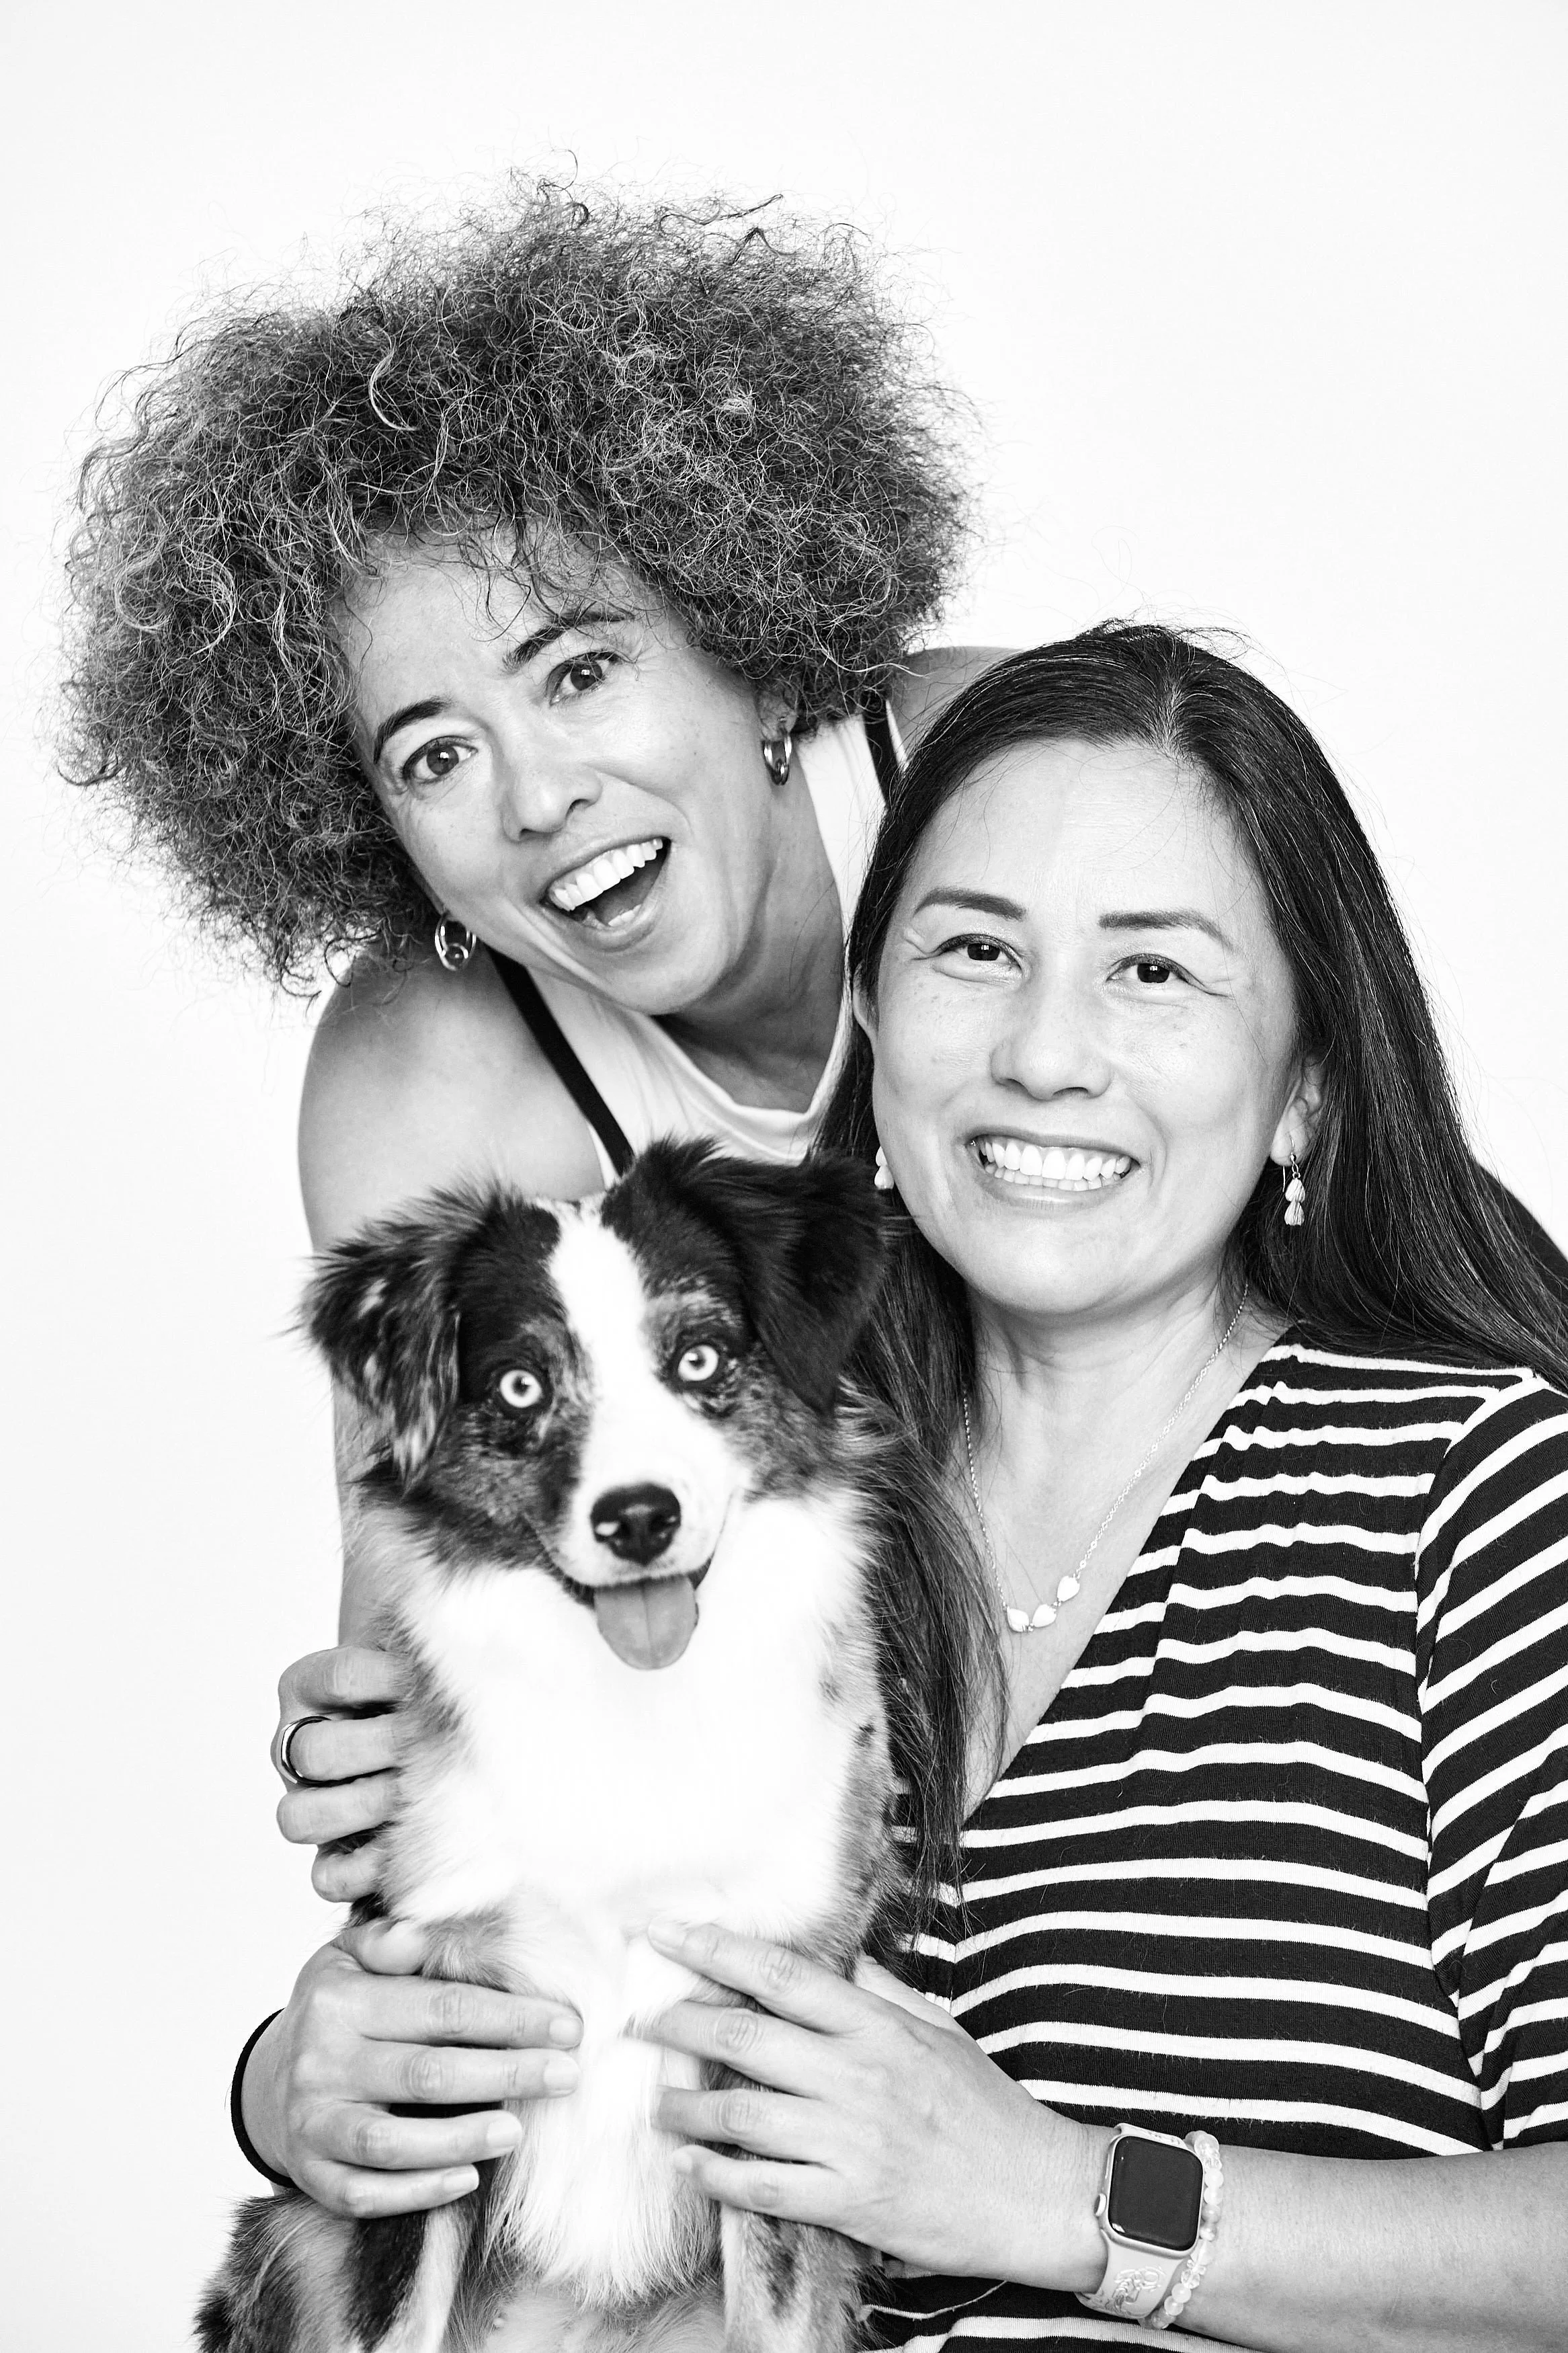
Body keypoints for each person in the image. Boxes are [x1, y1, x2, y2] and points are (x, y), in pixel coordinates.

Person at [58, 181, 999, 2245]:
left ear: (742, 627)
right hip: (750, 1897)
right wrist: (305, 2057)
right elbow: (426, 1622)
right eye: (431, 753)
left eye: (578, 669)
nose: (535, 795)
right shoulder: (424, 1069)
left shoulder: (988, 794)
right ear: (363, 820)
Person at [625, 625, 1568, 2350]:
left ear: (1302, 1088)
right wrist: (308, 2070)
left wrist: (1067, 2197)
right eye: (975, 949)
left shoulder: (1483, 1497)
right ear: (871, 1021)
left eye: (1155, 974)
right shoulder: (749, 1541)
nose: (1044, 1053)